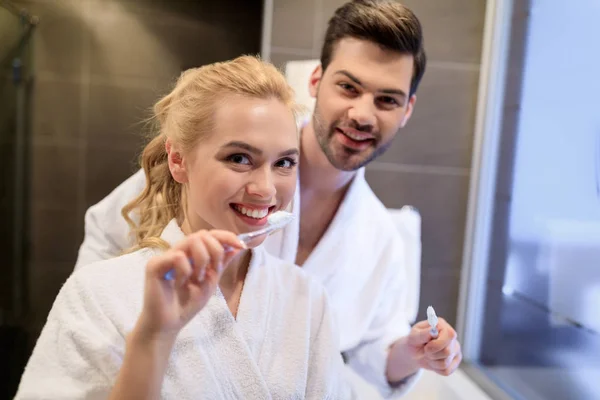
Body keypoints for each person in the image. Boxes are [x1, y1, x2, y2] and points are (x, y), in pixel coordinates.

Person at [74, 0, 463, 397]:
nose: (363, 114)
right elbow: (106, 240)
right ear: (316, 80)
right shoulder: (213, 165)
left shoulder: (381, 239)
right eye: (348, 87)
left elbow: (370, 356)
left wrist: (414, 354)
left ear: (407, 109)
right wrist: (95, 331)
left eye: (387, 100)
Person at [16, 56, 351, 399]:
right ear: (178, 160)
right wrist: (153, 338)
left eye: (284, 162)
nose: (266, 189)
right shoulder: (98, 294)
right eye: (239, 158)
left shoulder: (306, 298)